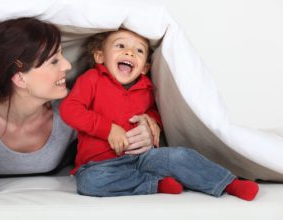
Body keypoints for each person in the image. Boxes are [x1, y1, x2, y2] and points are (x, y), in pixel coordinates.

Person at [0, 18, 155, 200]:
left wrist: (149, 125)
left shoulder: (69, 115)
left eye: (62, 55)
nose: (67, 66)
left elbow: (120, 119)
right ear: (20, 78)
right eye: (54, 61)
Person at [59, 29, 259, 201]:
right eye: (120, 46)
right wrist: (108, 129)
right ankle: (154, 184)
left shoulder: (146, 88)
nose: (129, 52)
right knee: (89, 184)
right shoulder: (92, 79)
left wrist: (154, 121)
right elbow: (70, 109)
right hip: (99, 165)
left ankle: (228, 183)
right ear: (100, 56)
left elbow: (153, 112)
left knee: (179, 155)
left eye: (139, 50)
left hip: (143, 159)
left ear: (145, 68)